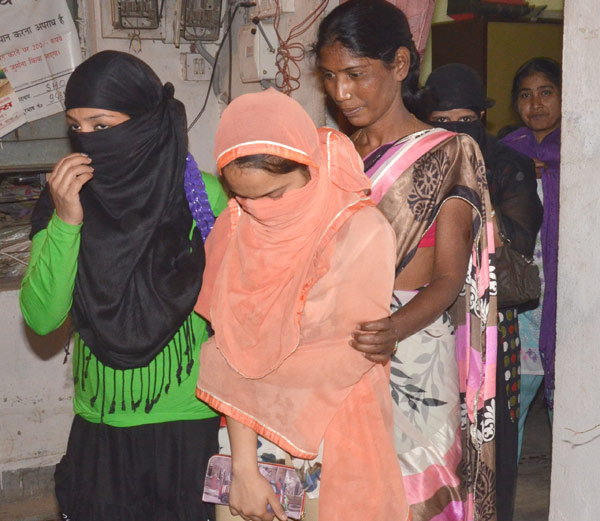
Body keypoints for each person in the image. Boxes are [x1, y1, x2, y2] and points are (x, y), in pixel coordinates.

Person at [19, 51, 227, 521]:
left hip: (188, 423)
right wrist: (67, 222)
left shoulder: (201, 195)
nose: (88, 140)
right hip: (101, 424)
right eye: (76, 127)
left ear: (146, 123)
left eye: (102, 126)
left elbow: (239, 310)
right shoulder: (65, 199)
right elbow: (43, 317)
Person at [315, 2, 498, 520]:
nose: (341, 92)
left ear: (399, 64)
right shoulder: (333, 156)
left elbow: (449, 278)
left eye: (355, 74)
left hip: (413, 346)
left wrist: (392, 328)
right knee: (344, 495)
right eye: (329, 76)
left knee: (413, 497)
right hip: (336, 345)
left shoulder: (449, 152)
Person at [194, 88, 409, 521]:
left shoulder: (359, 230)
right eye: (243, 196)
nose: (260, 211)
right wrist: (244, 467)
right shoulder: (236, 225)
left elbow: (340, 357)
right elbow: (233, 352)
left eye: (275, 195)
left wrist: (260, 359)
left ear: (309, 167)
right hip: (247, 435)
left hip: (335, 427)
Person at [424, 63, 543, 521]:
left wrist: (473, 188)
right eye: (442, 122)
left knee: (491, 437)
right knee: (432, 438)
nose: (455, 131)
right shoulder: (417, 162)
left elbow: (519, 240)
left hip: (490, 321)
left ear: (482, 117)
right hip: (426, 319)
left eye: (465, 121)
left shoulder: (507, 165)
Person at [501, 57, 561, 456]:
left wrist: (552, 172)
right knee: (512, 403)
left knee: (571, 403)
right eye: (525, 95)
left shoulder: (582, 150)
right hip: (521, 299)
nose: (536, 104)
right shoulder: (506, 153)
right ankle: (504, 488)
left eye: (546, 92)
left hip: (568, 295)